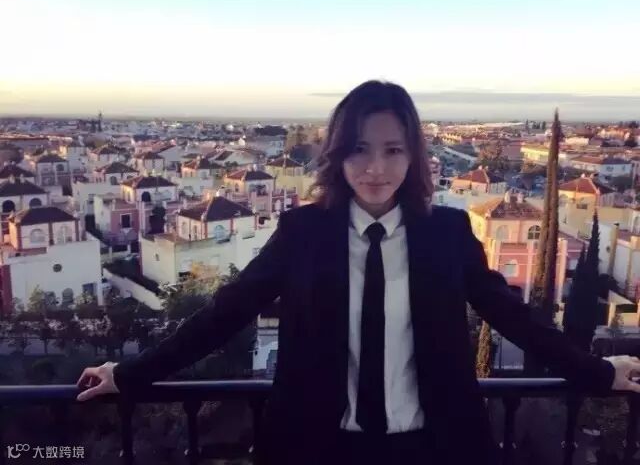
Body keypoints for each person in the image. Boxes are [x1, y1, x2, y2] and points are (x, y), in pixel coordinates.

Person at [77, 80, 640, 465]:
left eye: (393, 150)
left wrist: (596, 372)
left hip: (432, 449)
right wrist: (130, 375)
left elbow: (511, 315)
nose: (375, 168)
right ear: (337, 155)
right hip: (320, 449)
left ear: (413, 156)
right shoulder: (302, 232)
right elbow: (226, 313)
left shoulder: (446, 232)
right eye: (360, 150)